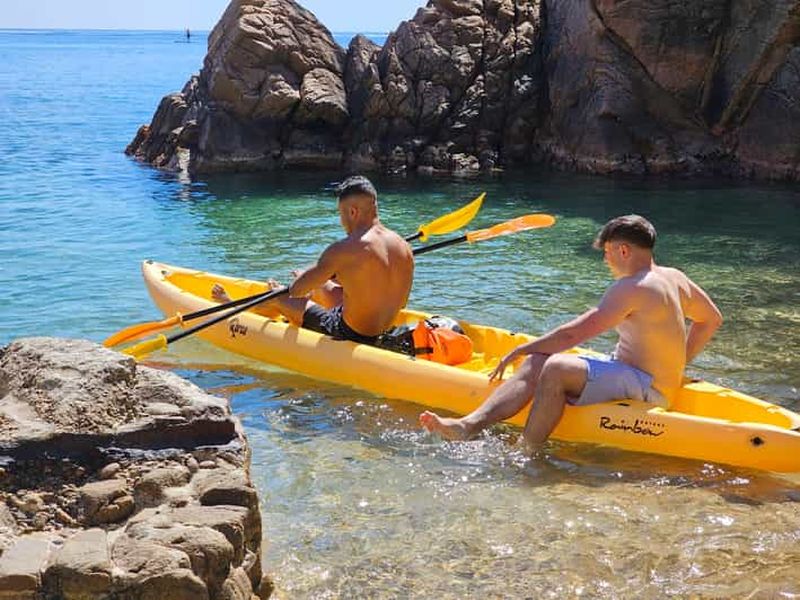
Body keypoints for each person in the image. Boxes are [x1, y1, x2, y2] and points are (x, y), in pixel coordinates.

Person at [419, 214, 723, 452]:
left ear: (624, 250)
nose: (605, 260)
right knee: (539, 360)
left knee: (555, 367)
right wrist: (680, 362)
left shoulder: (632, 287)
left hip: (646, 386)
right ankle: (468, 425)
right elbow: (711, 319)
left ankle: (526, 451)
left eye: (607, 252)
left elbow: (573, 335)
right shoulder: (674, 277)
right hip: (639, 376)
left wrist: (520, 348)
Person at [212, 175, 414, 345]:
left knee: (277, 296)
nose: (342, 222)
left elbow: (297, 290)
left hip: (346, 333)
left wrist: (300, 283)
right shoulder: (403, 246)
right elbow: (401, 302)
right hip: (382, 330)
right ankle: (300, 303)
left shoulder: (344, 249)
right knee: (322, 286)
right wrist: (323, 279)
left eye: (341, 214)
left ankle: (236, 312)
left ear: (353, 212)